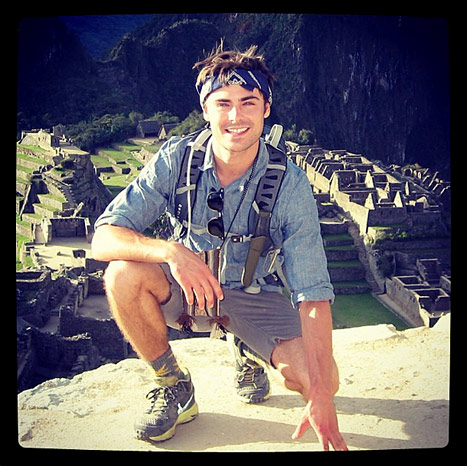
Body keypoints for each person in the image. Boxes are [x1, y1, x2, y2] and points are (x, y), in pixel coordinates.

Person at [91, 44, 348, 451]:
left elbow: (312, 292)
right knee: (122, 273)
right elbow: (104, 237)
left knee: (324, 379)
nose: (235, 117)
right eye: (223, 103)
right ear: (206, 110)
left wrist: (319, 394)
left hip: (253, 293)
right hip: (187, 289)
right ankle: (173, 385)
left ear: (266, 108)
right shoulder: (176, 159)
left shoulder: (289, 185)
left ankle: (246, 348)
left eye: (248, 103)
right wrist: (172, 253)